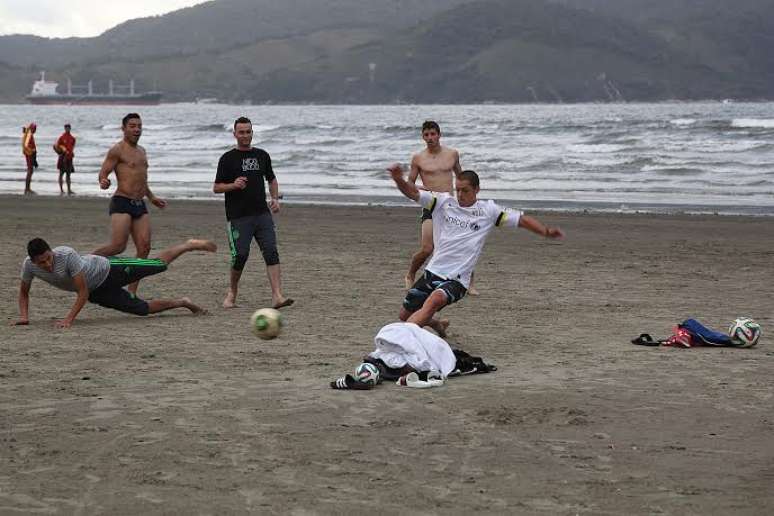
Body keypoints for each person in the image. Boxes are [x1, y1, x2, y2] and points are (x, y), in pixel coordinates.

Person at [388, 163, 564, 336]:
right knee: (404, 315)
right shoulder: (443, 202)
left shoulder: (488, 211)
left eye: (465, 190)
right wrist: (398, 180)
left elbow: (521, 219)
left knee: (434, 301)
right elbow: (413, 193)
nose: (460, 195)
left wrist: (545, 231)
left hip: (457, 279)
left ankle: (402, 338)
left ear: (477, 189)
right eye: (458, 190)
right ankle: (437, 324)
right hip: (433, 271)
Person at [13, 237, 216, 329]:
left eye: (49, 258)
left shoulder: (66, 254)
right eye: (42, 262)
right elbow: (24, 292)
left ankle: (188, 245)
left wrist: (69, 320)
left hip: (111, 269)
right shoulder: (29, 266)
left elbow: (81, 292)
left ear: (51, 251)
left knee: (157, 265)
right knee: (141, 310)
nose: (47, 264)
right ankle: (183, 302)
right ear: (33, 262)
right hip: (97, 291)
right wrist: (24, 316)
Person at [213, 116, 293, 309]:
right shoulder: (227, 159)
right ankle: (232, 293)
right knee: (240, 256)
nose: (245, 135)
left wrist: (274, 199)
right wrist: (234, 185)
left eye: (248, 132)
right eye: (241, 132)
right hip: (238, 217)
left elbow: (271, 179)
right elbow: (216, 187)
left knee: (271, 252)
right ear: (234, 134)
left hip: (262, 214)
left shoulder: (262, 155)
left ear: (252, 133)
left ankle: (277, 296)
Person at [403, 121, 482, 294]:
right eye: (426, 135)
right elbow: (410, 183)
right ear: (423, 137)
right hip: (431, 204)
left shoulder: (452, 154)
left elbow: (461, 177)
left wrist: (467, 197)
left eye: (433, 134)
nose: (430, 138)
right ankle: (410, 274)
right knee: (427, 248)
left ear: (439, 135)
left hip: (451, 205)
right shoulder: (418, 158)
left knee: (462, 244)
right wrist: (422, 189)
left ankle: (469, 282)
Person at [93, 113, 166, 296]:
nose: (137, 129)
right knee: (118, 246)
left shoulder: (142, 151)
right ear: (123, 128)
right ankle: (87, 262)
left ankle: (132, 290)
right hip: (122, 201)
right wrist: (103, 182)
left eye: (139, 126)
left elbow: (142, 179)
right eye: (132, 126)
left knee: (145, 247)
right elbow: (103, 173)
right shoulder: (117, 150)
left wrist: (152, 197)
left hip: (140, 204)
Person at [54, 123, 76, 195]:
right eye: (66, 128)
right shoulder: (61, 137)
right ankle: (61, 189)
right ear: (64, 129)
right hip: (62, 157)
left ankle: (69, 190)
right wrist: (59, 152)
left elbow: (72, 147)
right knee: (61, 173)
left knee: (68, 174)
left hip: (69, 158)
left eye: (68, 128)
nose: (67, 129)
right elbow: (56, 146)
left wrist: (71, 154)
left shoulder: (72, 138)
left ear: (70, 128)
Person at [22, 122, 37, 194]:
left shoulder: (29, 134)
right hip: (29, 154)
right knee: (30, 171)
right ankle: (27, 188)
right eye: (34, 128)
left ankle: (28, 188)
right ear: (31, 128)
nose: (35, 130)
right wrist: (32, 150)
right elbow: (25, 145)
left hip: (30, 154)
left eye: (35, 128)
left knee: (30, 171)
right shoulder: (29, 134)